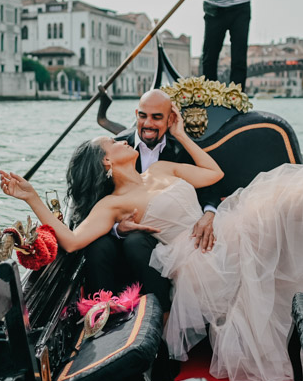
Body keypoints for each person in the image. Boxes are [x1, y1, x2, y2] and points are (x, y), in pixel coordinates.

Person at [0, 108, 303, 381]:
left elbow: (212, 172)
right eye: (112, 144)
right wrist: (32, 198)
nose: (124, 139)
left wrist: (183, 135)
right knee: (278, 201)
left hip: (219, 229)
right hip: (202, 260)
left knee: (280, 201)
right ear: (107, 164)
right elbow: (73, 240)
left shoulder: (163, 166)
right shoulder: (116, 204)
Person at [83, 89, 220, 313]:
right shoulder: (116, 150)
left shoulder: (180, 149)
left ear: (170, 120)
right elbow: (92, 203)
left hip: (174, 238)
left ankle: (163, 313)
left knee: (136, 243)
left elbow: (211, 185)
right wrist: (118, 228)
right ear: (136, 114)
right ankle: (102, 315)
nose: (148, 124)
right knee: (112, 243)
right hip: (130, 236)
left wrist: (209, 214)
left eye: (157, 117)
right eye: (143, 116)